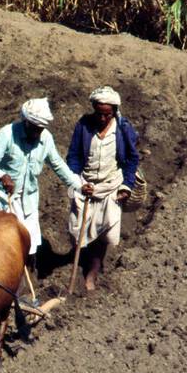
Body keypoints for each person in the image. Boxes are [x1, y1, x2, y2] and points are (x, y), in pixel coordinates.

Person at [0, 98, 83, 277]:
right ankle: (5, 277)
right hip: (5, 199)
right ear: (25, 121)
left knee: (30, 243)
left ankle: (27, 278)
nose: (37, 133)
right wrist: (1, 175)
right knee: (6, 244)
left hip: (28, 200)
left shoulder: (46, 139)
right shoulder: (8, 134)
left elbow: (58, 165)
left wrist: (79, 186)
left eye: (40, 129)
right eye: (34, 128)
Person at [67, 86, 139, 293]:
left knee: (105, 233)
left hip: (110, 186)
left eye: (107, 114)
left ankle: (92, 273)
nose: (102, 118)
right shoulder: (83, 126)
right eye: (99, 113)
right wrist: (78, 181)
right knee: (77, 230)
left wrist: (127, 185)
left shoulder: (123, 128)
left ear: (114, 111)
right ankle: (83, 262)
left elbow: (132, 159)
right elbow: (73, 156)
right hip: (86, 184)